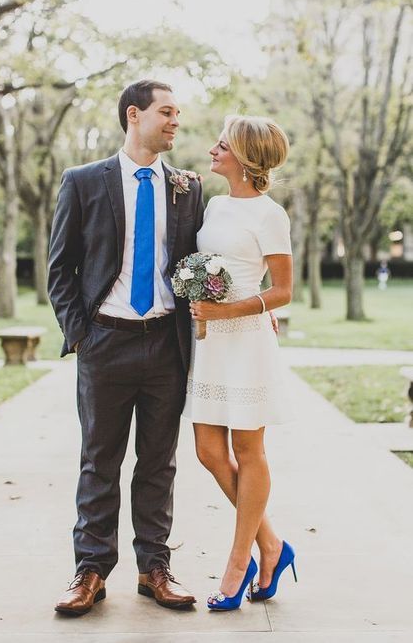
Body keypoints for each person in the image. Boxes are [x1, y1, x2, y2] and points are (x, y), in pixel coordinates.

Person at [48, 80, 203, 615]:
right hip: (104, 344)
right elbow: (60, 271)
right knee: (99, 462)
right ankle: (90, 570)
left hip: (165, 344)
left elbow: (194, 264)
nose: (175, 121)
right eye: (166, 111)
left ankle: (153, 568)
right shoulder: (84, 182)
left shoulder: (188, 187)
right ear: (134, 115)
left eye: (178, 113)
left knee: (159, 462)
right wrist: (82, 336)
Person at [182, 114, 296, 611]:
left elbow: (283, 291)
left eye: (221, 144)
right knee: (208, 450)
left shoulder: (271, 215)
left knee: (249, 450)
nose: (212, 149)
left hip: (246, 341)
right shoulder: (213, 205)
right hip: (209, 342)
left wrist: (228, 309)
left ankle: (238, 560)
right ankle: (271, 543)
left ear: (245, 157)